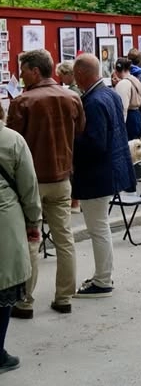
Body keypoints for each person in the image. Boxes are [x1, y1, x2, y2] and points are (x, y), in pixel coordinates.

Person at [7, 50, 85, 319]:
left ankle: (25, 301)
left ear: (35, 71)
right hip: (62, 178)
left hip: (31, 182)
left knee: (31, 240)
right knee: (65, 239)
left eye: (23, 70)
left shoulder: (23, 102)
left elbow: (12, 143)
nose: (20, 75)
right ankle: (64, 297)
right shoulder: (71, 97)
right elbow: (79, 130)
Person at [72, 53, 137, 298]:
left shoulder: (94, 101)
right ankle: (103, 276)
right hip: (110, 169)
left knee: (98, 228)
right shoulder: (109, 94)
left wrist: (71, 140)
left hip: (97, 173)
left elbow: (95, 143)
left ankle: (102, 280)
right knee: (101, 227)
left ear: (81, 74)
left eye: (75, 75)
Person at [0, 102, 41, 375]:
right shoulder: (12, 140)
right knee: (4, 288)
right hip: (5, 220)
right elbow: (28, 186)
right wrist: (33, 221)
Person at [113, 58, 141, 141]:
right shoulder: (136, 80)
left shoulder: (123, 84)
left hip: (129, 118)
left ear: (118, 69)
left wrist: (120, 127)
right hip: (138, 115)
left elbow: (122, 108)